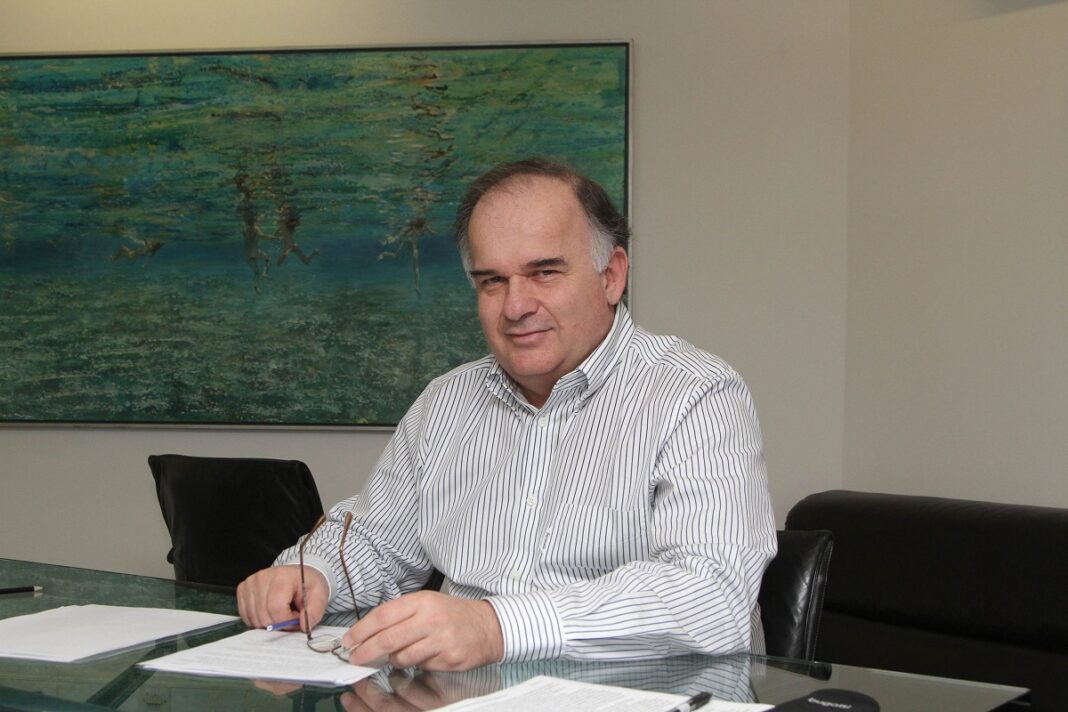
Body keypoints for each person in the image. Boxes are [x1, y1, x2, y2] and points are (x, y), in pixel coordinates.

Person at [237, 157, 776, 673]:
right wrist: (315, 574)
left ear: (611, 276)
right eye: (492, 281)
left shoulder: (696, 394)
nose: (515, 307)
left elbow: (710, 595)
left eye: (544, 272)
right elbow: (378, 541)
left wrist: (495, 627)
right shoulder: (446, 402)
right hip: (462, 694)